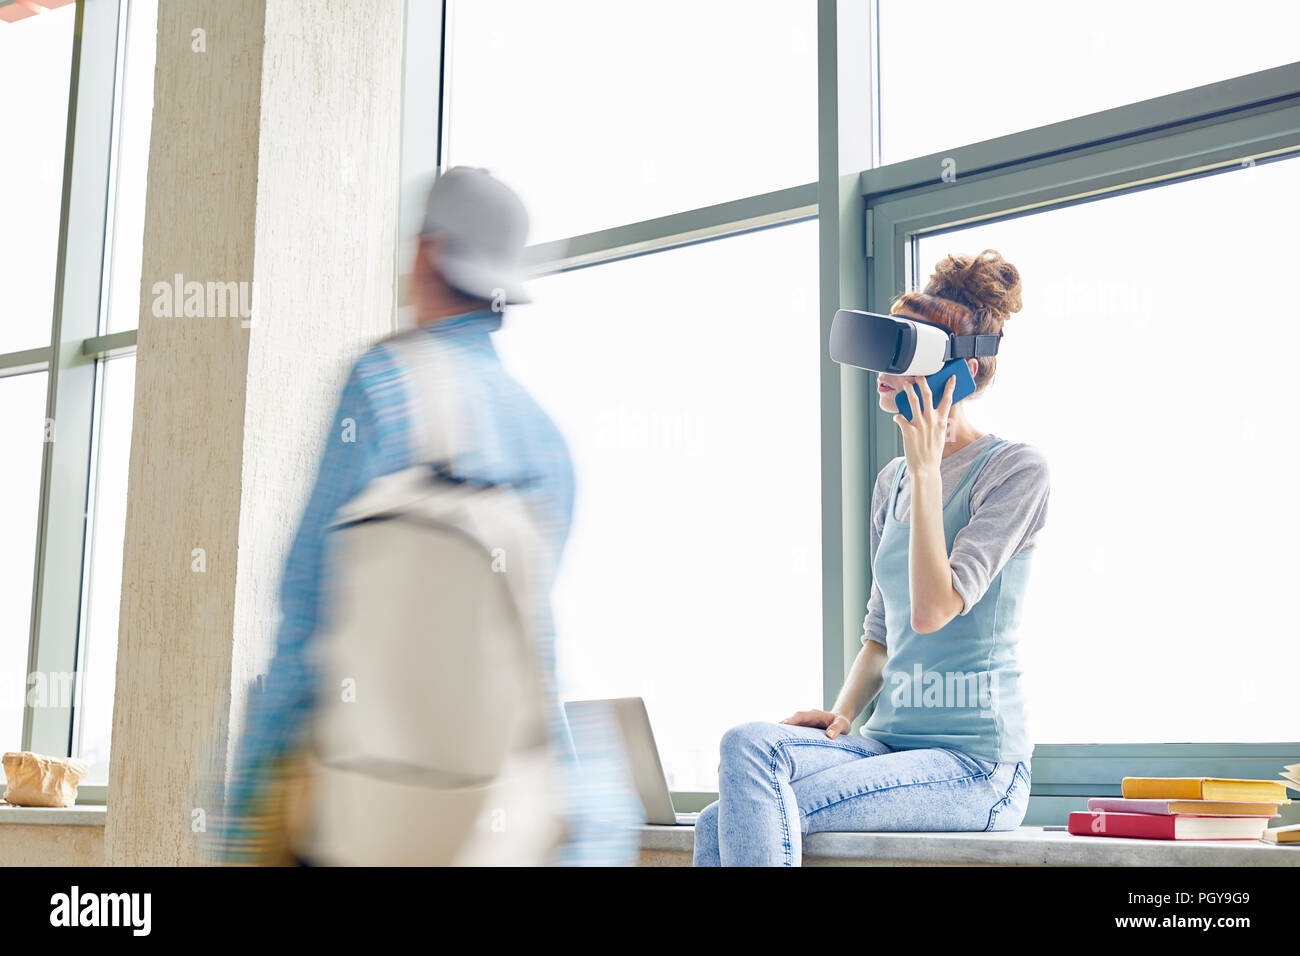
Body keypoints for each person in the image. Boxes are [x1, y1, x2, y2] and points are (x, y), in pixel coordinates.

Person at [214, 166, 641, 866]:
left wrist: (244, 816)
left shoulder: (383, 384)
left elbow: (307, 612)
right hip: (492, 818)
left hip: (367, 804)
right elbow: (526, 645)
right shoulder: (547, 441)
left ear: (426, 254)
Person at [694, 250, 1049, 866]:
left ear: (957, 372)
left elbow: (934, 609)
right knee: (742, 756)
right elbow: (883, 633)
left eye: (901, 351)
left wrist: (930, 471)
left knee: (736, 816)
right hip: (888, 746)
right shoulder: (893, 482)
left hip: (976, 769)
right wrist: (841, 713)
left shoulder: (1014, 470)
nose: (879, 370)